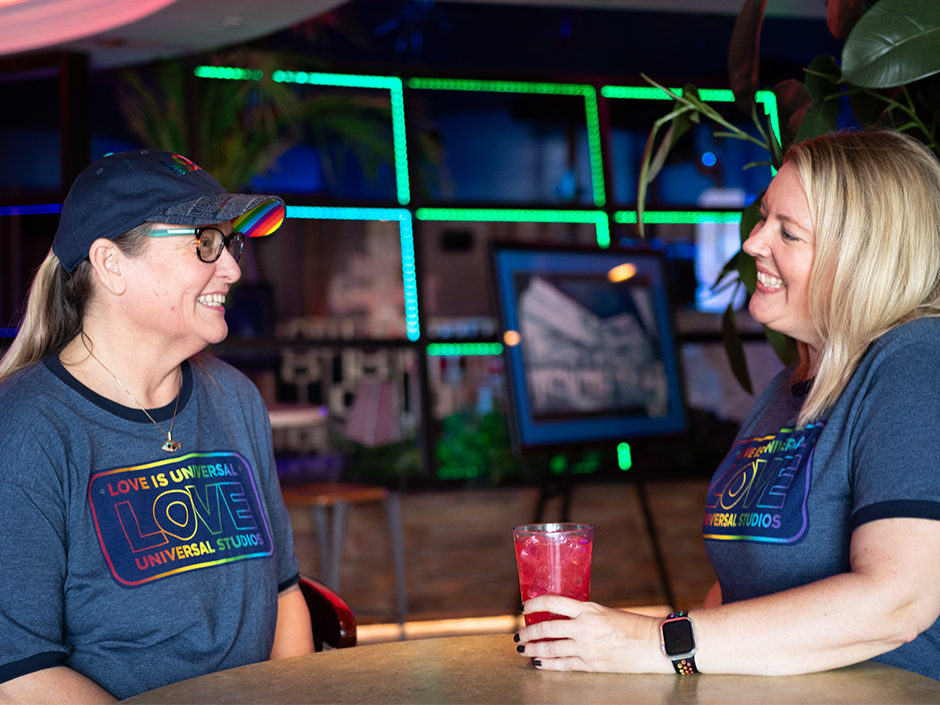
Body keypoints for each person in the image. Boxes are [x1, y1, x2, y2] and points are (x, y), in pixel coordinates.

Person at [514, 130, 940, 679]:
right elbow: (739, 591)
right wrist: (625, 647)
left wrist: (655, 642)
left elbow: (899, 602)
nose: (752, 243)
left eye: (788, 232)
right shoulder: (790, 386)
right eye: (764, 218)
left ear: (863, 259)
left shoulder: (915, 360)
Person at [0, 150, 314, 703]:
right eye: (205, 243)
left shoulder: (235, 399)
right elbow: (21, 673)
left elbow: (286, 595)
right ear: (112, 265)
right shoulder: (29, 430)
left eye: (229, 242)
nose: (234, 269)